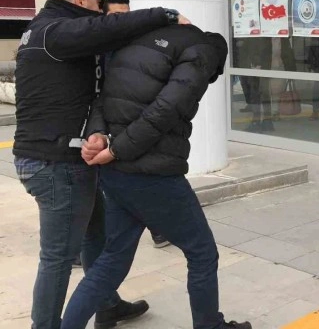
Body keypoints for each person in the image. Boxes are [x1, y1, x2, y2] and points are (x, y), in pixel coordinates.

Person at [13, 0, 188, 329]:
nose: (102, 10)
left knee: (96, 235)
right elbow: (108, 28)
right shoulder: (56, 31)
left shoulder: (47, 29)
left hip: (65, 158)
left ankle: (107, 304)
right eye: (98, 2)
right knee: (58, 258)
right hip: (55, 163)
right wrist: (166, 15)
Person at [60, 24, 251, 329]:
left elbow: (103, 98)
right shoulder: (203, 51)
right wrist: (117, 149)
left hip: (116, 175)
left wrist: (98, 135)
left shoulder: (139, 42)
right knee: (202, 252)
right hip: (153, 175)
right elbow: (165, 111)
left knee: (112, 259)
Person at [100, 0, 172, 249]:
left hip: (130, 121)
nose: (123, 22)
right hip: (98, 122)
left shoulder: (138, 44)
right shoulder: (94, 47)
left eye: (126, 16)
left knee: (138, 175)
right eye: (116, 16)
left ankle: (158, 229)